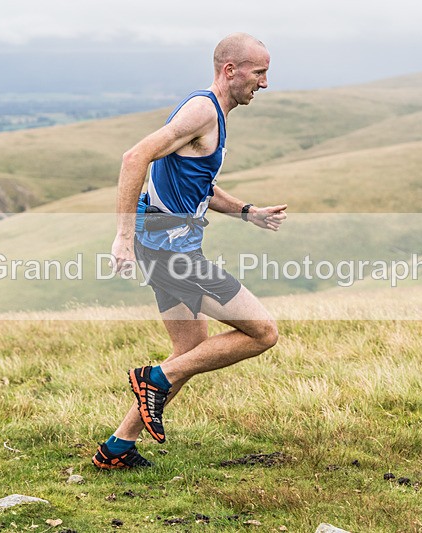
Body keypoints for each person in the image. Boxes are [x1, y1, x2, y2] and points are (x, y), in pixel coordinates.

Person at [92, 32, 288, 469]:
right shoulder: (203, 110)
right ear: (230, 70)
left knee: (191, 349)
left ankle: (117, 448)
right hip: (170, 251)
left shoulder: (209, 111)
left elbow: (198, 185)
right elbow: (133, 158)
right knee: (263, 332)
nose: (265, 83)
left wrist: (246, 211)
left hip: (163, 244)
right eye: (259, 73)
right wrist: (122, 237)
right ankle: (153, 379)